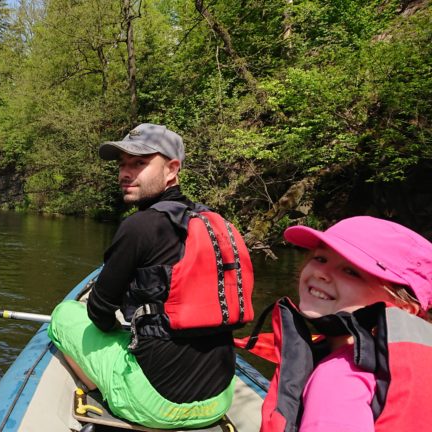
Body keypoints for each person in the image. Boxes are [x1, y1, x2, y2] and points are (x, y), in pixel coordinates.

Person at [47, 124, 253, 429]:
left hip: (156, 407)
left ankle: (100, 389)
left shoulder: (139, 226)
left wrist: (119, 328)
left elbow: (99, 312)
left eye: (140, 163)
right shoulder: (216, 224)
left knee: (64, 314)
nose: (125, 173)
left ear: (172, 169)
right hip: (218, 400)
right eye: (122, 165)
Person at [257, 216, 432, 431]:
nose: (321, 273)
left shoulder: (338, 379)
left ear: (403, 308)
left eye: (351, 271)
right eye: (320, 258)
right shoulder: (411, 370)